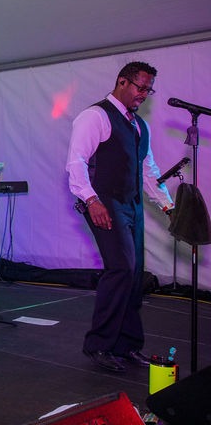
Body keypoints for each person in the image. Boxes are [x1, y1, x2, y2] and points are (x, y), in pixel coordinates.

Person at [66, 61, 173, 373]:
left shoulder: (139, 126)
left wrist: (168, 207)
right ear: (122, 82)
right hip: (104, 202)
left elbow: (148, 170)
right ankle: (99, 344)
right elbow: (76, 162)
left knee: (134, 273)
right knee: (121, 268)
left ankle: (127, 345)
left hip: (131, 204)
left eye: (149, 90)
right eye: (141, 87)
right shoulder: (95, 116)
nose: (144, 94)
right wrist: (91, 200)